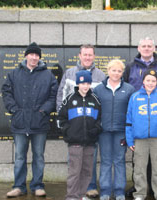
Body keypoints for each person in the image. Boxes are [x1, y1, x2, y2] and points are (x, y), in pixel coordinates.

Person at [1, 42, 58, 198]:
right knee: (20, 156)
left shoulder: (48, 75)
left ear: (39, 57)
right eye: (31, 54)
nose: (34, 57)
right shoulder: (14, 74)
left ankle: (37, 185)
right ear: (26, 55)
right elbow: (6, 92)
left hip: (39, 123)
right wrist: (13, 109)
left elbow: (53, 96)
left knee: (38, 156)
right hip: (20, 123)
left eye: (36, 55)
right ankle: (19, 186)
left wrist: (43, 111)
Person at [123, 37, 157, 197]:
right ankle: (140, 193)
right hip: (140, 137)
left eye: (153, 80)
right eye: (147, 80)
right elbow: (129, 119)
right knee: (139, 168)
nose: (150, 83)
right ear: (142, 82)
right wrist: (130, 139)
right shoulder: (134, 97)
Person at [56, 44, 105, 198]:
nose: (87, 57)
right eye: (85, 54)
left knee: (87, 168)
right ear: (79, 55)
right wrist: (67, 129)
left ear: (94, 56)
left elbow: (100, 109)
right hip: (75, 135)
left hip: (90, 135)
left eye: (90, 55)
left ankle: (85, 192)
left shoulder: (101, 75)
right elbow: (61, 99)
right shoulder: (69, 73)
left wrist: (96, 128)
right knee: (74, 169)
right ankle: (72, 195)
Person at [93, 59, 135, 200]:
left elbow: (132, 112)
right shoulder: (98, 89)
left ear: (122, 73)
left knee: (119, 160)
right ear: (108, 71)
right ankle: (105, 191)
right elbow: (94, 110)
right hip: (103, 131)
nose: (116, 73)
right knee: (105, 160)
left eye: (119, 71)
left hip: (120, 131)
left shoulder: (129, 89)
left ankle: (119, 191)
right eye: (113, 70)